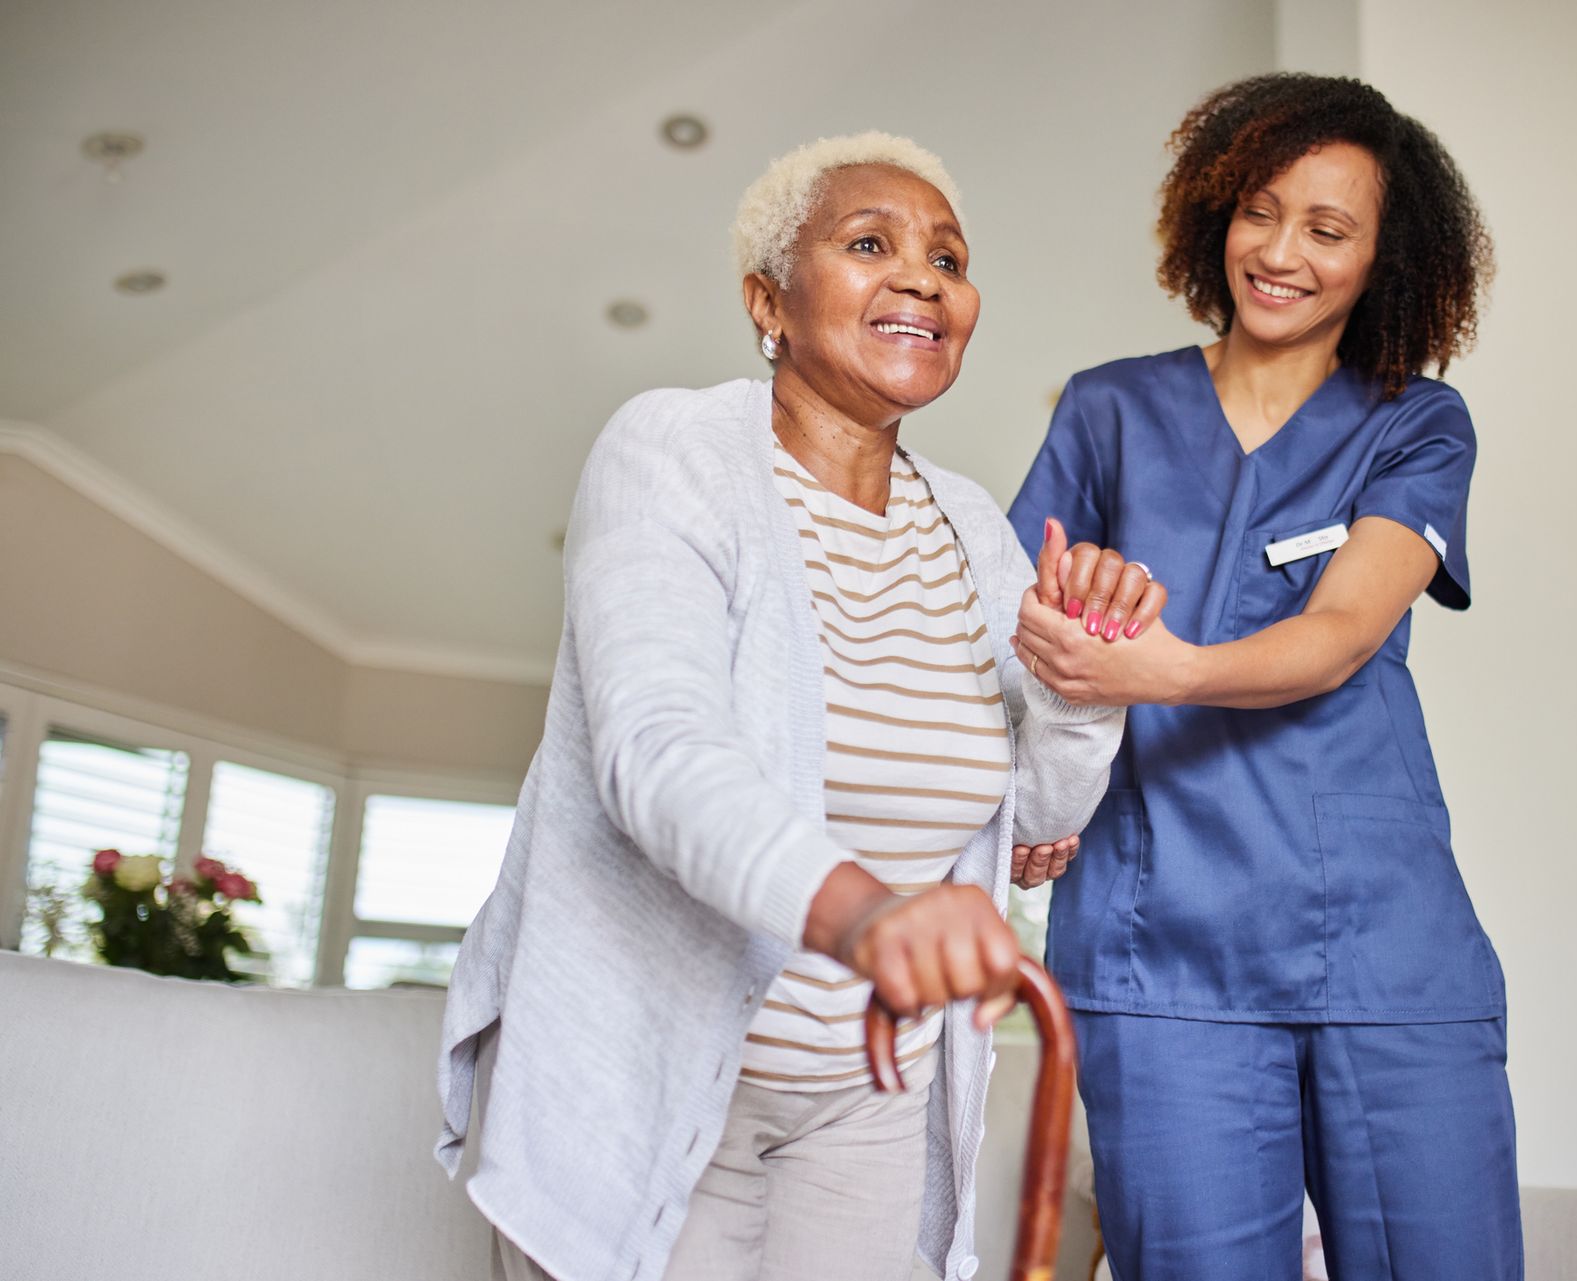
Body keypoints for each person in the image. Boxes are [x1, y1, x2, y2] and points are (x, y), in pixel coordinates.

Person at [435, 132, 1130, 1281]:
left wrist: (1083, 675)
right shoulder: (674, 453)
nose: (922, 278)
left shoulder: (973, 529)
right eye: (871, 245)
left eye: (947, 260)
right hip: (652, 1057)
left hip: (867, 1092)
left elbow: (1035, 821)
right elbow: (658, 754)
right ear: (770, 301)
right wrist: (865, 916)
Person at [1007, 74, 1523, 1280]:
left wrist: (1163, 668)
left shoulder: (1416, 423)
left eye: (1327, 231)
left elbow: (1343, 629)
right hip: (1159, 945)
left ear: (1383, 260)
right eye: (1258, 211)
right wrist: (1031, 798)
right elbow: (1023, 640)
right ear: (1214, 216)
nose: (1279, 253)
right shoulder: (1108, 413)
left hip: (1387, 945)